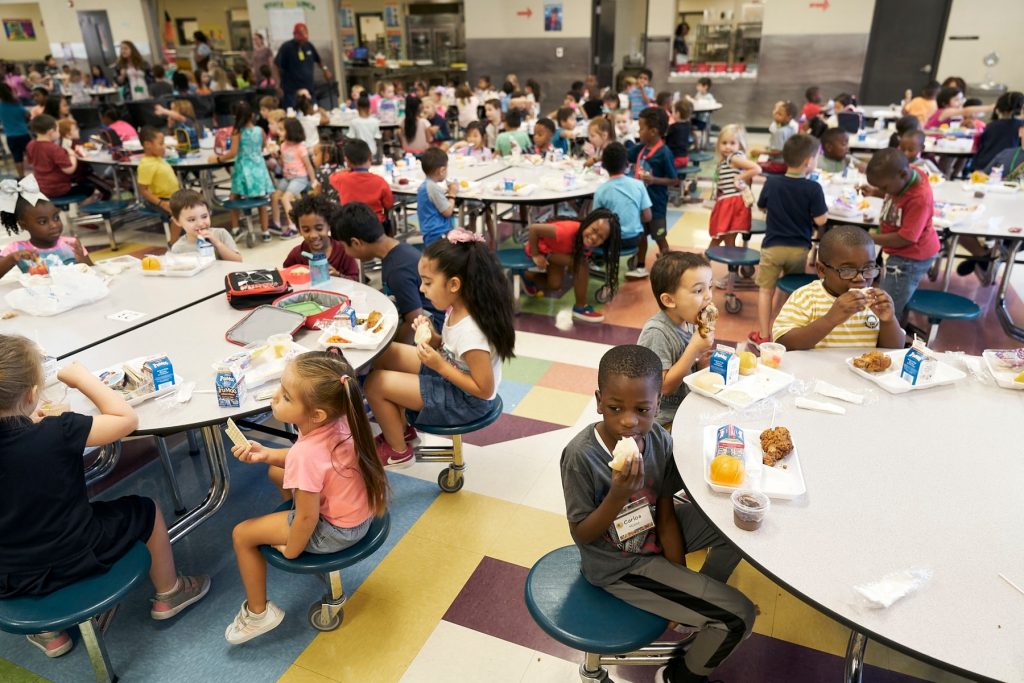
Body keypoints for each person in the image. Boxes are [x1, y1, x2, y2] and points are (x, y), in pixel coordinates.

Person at [0, 336, 211, 658]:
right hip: (79, 553)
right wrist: (83, 379)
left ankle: (48, 632)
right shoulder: (58, 430)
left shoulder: (48, 430)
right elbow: (125, 420)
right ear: (31, 394)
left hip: (10, 574)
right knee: (146, 509)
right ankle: (171, 592)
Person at [560, 344, 755, 683]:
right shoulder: (582, 457)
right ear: (598, 400)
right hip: (618, 564)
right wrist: (618, 495)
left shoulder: (660, 442)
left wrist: (683, 579)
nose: (628, 421)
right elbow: (582, 534)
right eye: (615, 407)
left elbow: (665, 515)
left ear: (657, 406)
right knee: (739, 617)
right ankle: (681, 674)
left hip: (651, 531)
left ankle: (700, 600)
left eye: (642, 409)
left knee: (737, 524)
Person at [225, 350, 388, 644]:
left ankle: (259, 614)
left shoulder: (305, 453)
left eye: (286, 396)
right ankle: (292, 532)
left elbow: (308, 516)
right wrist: (268, 455)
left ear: (316, 414)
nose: (275, 398)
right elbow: (312, 463)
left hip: (333, 531)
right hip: (357, 515)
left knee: (242, 534)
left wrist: (292, 549)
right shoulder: (341, 420)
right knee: (276, 472)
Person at [364, 229, 515, 466]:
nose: (422, 290)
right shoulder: (458, 307)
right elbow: (452, 349)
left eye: (427, 283)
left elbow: (484, 390)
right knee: (387, 354)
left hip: (467, 402)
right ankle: (400, 430)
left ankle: (397, 450)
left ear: (454, 284)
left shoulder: (471, 331)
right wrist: (433, 339)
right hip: (453, 376)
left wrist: (439, 365)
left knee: (375, 384)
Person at [749, 134, 828, 345]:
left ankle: (763, 335)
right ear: (808, 162)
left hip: (773, 246)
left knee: (766, 290)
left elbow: (762, 206)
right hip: (799, 248)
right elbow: (821, 220)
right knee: (787, 287)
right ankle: (780, 328)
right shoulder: (813, 188)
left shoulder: (772, 182)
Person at [773, 225, 905, 350]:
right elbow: (783, 343)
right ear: (821, 270)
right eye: (847, 270)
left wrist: (889, 321)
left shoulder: (875, 304)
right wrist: (830, 319)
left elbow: (894, 349)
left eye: (868, 268)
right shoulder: (806, 297)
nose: (860, 278)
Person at [331, 202, 444, 341]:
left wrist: (388, 345)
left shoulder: (397, 271)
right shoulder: (398, 249)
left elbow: (414, 323)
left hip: (433, 329)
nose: (346, 253)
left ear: (356, 243)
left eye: (343, 246)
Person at [637, 253, 715, 425]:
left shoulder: (688, 321)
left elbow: (682, 365)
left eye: (710, 286)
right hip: (662, 421)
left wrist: (698, 362)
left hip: (685, 406)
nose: (708, 296)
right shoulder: (657, 333)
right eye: (698, 290)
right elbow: (663, 387)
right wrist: (694, 348)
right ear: (669, 300)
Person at [862, 148, 939, 319]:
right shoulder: (904, 176)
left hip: (909, 259)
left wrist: (867, 238)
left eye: (884, 187)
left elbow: (906, 238)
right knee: (891, 297)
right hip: (899, 254)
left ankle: (891, 341)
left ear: (904, 174)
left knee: (887, 306)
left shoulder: (919, 198)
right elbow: (894, 189)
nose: (885, 191)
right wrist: (876, 192)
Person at [520, 209, 618, 317]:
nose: (594, 237)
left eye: (601, 237)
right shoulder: (565, 231)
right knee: (581, 264)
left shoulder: (584, 239)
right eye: (594, 230)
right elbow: (534, 229)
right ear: (587, 223)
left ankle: (526, 275)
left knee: (555, 285)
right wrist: (536, 255)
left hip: (556, 249)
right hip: (540, 248)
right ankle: (580, 307)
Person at [211, 101, 275, 242]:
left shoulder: (237, 132)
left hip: (243, 170)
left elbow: (233, 152)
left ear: (235, 116)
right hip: (259, 169)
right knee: (261, 200)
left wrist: (218, 159)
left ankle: (235, 228)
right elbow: (263, 146)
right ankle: (265, 232)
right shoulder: (260, 130)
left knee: (234, 197)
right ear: (252, 115)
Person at [0, 178, 91, 277]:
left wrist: (82, 259)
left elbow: (94, 271)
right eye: (43, 222)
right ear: (24, 225)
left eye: (56, 218)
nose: (54, 225)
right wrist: (12, 258)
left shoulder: (72, 244)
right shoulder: (16, 248)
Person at [593, 142, 652, 282]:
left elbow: (595, 220)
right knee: (643, 229)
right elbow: (648, 216)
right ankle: (640, 265)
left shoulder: (601, 190)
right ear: (627, 164)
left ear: (603, 166)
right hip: (634, 240)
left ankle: (596, 261)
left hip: (610, 241)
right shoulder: (638, 185)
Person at [628, 107, 677, 273]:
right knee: (641, 236)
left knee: (659, 236)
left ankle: (669, 265)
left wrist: (654, 180)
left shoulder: (664, 153)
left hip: (656, 205)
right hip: (640, 204)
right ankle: (640, 266)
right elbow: (625, 155)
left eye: (641, 128)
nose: (638, 131)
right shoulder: (641, 148)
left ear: (653, 131)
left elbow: (675, 180)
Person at [708, 124, 759, 252]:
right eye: (724, 143)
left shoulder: (734, 157)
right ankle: (731, 266)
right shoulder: (726, 160)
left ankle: (705, 261)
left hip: (732, 203)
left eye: (732, 143)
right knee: (724, 237)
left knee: (722, 236)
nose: (728, 147)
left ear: (739, 145)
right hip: (727, 202)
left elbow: (756, 168)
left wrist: (739, 178)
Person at [282, 194, 357, 279]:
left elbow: (356, 280)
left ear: (329, 225)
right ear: (299, 230)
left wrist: (338, 276)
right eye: (306, 230)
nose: (313, 235)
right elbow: (285, 278)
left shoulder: (344, 251)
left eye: (319, 228)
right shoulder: (296, 255)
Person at [26, 115, 98, 203]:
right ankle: (82, 209)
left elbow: (31, 163)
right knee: (89, 186)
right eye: (58, 130)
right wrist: (72, 155)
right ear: (51, 132)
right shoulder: (54, 148)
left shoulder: (31, 145)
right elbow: (69, 170)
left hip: (41, 188)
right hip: (58, 190)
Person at [329, 139, 394, 226]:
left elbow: (331, 177)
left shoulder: (341, 178)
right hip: (375, 224)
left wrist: (347, 170)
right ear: (370, 158)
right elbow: (389, 204)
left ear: (347, 161)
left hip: (350, 224)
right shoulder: (380, 181)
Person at [270, 118, 317, 236]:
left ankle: (293, 227)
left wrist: (313, 181)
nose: (278, 132)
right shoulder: (283, 145)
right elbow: (283, 163)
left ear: (290, 131)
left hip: (300, 178)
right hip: (287, 177)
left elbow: (308, 166)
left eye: (281, 129)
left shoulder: (300, 148)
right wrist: (277, 157)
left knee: (285, 198)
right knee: (275, 196)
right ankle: (276, 224)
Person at [168, 189, 241, 262]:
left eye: (204, 216)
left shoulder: (221, 234)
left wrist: (217, 243)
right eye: (192, 220)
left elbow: (238, 261)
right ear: (177, 221)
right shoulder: (178, 248)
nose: (200, 223)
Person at [137, 126, 181, 236]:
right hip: (158, 200)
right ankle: (173, 246)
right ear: (147, 144)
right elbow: (143, 190)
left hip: (172, 196)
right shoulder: (146, 164)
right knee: (180, 213)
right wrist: (162, 204)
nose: (164, 147)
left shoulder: (157, 158)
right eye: (161, 144)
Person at [274, 23, 330, 108]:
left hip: (309, 88)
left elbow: (319, 60)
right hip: (292, 91)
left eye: (304, 39)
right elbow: (275, 65)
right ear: (294, 35)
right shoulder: (286, 47)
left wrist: (325, 70)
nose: (302, 41)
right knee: (294, 115)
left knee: (314, 111)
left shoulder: (309, 45)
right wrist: (277, 84)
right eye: (300, 40)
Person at [415, 147, 458, 244]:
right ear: (442, 170)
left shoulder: (425, 185)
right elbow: (447, 212)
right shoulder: (433, 188)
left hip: (430, 233)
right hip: (438, 233)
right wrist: (452, 194)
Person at [974, 91, 1024, 171]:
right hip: (1007, 167)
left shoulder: (991, 125)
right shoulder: (1020, 126)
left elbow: (981, 146)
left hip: (982, 165)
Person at [756, 100, 799, 174]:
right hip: (788, 164)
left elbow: (777, 151)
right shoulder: (792, 129)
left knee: (754, 166)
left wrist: (760, 152)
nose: (775, 115)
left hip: (778, 164)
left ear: (788, 117)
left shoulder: (779, 132)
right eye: (776, 112)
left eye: (779, 114)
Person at [924, 87, 993, 129]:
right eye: (956, 100)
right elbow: (966, 110)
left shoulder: (957, 116)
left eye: (961, 99)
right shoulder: (944, 111)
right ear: (945, 104)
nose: (960, 102)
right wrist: (990, 107)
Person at [0, 83, 30, 176]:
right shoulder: (16, 103)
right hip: (23, 133)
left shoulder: (1, 106)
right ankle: (38, 174)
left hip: (11, 136)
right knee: (31, 155)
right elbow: (27, 114)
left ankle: (21, 177)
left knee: (17, 158)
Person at [294, 93, 327, 165]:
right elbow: (327, 120)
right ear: (309, 108)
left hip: (302, 148)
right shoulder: (311, 119)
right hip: (314, 147)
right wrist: (321, 111)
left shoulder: (297, 119)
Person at [347, 93, 381, 158]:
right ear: (369, 107)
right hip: (372, 151)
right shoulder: (375, 121)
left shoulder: (354, 122)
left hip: (358, 152)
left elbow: (350, 138)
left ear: (357, 107)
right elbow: (378, 137)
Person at [666, 99, 692, 169]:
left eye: (673, 112)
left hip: (675, 158)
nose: (672, 114)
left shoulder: (673, 127)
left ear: (678, 114)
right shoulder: (688, 125)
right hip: (685, 157)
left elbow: (664, 137)